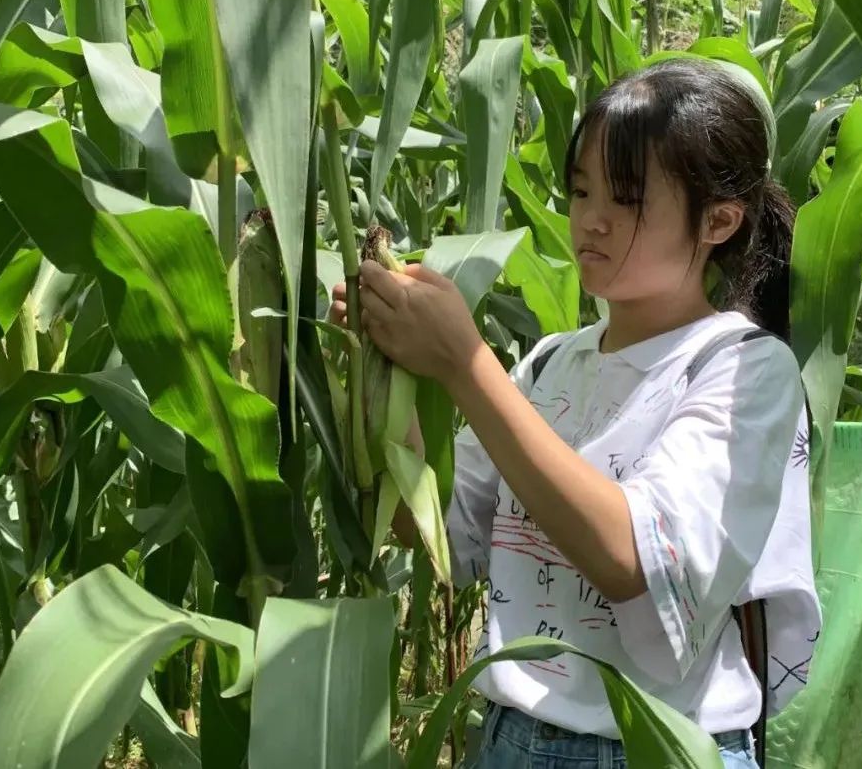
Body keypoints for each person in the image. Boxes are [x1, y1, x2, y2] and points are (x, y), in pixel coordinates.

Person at [330, 59, 821, 768]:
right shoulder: (551, 365)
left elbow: (634, 557)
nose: (590, 220)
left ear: (718, 220)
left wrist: (464, 362)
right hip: (508, 736)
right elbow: (430, 527)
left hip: (653, 747)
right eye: (581, 191)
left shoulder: (743, 369)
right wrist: (382, 370)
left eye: (625, 199)